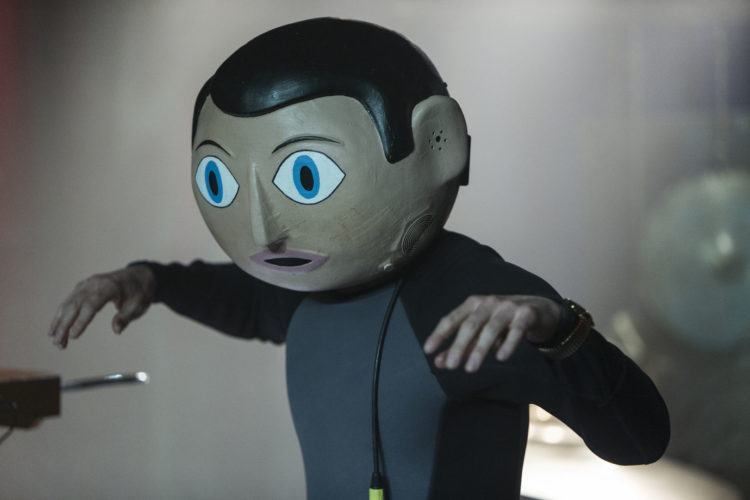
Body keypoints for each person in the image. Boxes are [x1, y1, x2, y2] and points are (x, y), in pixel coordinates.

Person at [48, 18, 669, 500]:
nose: (264, 229)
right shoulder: (303, 289)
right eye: (220, 181)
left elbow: (638, 440)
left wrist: (561, 332)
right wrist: (147, 281)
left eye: (306, 175)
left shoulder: (475, 302)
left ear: (437, 144)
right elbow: (244, 299)